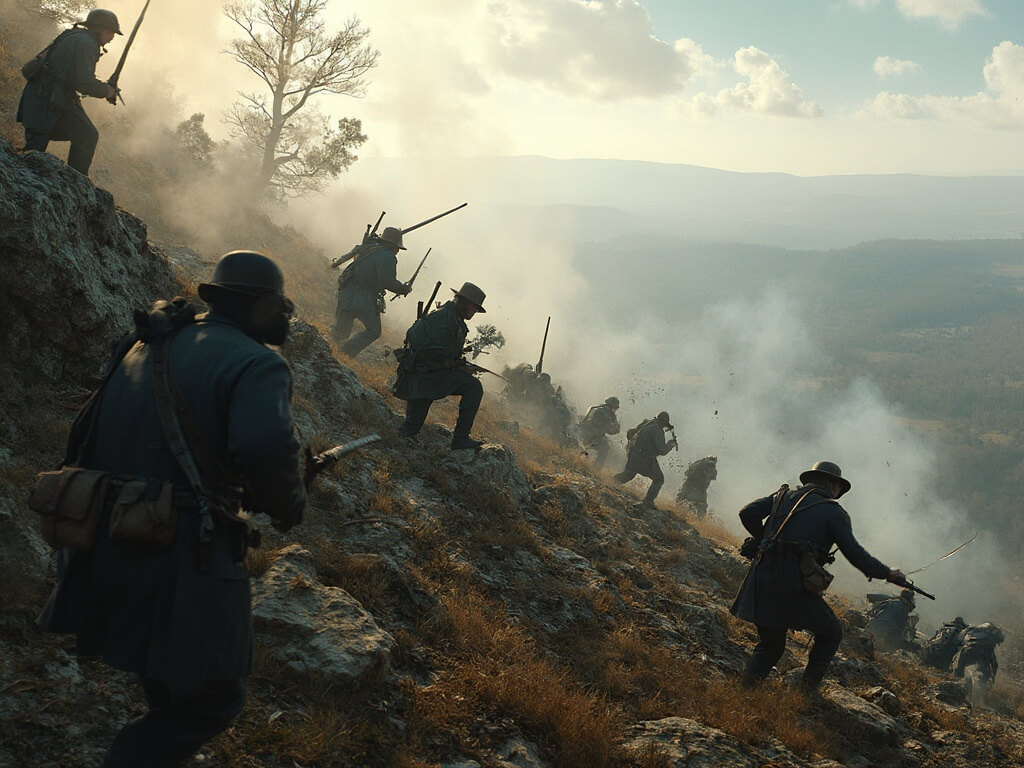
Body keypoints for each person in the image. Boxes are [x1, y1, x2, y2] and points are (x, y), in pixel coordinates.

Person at [38, 251, 306, 767]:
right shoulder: (259, 362)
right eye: (282, 304)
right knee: (212, 702)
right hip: (179, 549)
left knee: (170, 678)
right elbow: (265, 450)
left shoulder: (149, 341)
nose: (288, 315)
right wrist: (290, 501)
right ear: (258, 303)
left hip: (105, 532)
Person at [730, 461, 905, 692]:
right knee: (831, 632)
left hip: (760, 578)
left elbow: (747, 512)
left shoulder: (782, 497)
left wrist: (765, 538)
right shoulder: (833, 512)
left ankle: (744, 692)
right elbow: (854, 553)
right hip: (793, 585)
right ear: (833, 485)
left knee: (770, 645)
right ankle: (806, 692)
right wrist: (887, 574)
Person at [17, 9, 121, 176]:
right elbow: (83, 81)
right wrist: (106, 91)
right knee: (86, 135)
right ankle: (76, 181)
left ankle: (74, 183)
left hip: (43, 102)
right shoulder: (87, 43)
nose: (111, 38)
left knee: (82, 134)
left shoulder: (75, 36)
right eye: (110, 32)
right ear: (99, 28)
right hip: (46, 103)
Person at [391, 282, 488, 450]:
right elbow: (429, 350)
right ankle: (460, 439)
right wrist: (452, 363)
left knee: (411, 427)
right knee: (473, 387)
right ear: (465, 303)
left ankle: (460, 439)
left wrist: (457, 363)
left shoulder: (452, 317)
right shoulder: (443, 317)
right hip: (425, 375)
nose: (474, 312)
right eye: (474, 308)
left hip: (429, 375)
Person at [332, 226, 412, 357]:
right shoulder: (387, 256)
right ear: (393, 246)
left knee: (340, 333)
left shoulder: (367, 248)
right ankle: (346, 352)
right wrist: (403, 289)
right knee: (373, 331)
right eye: (397, 248)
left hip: (346, 294)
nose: (397, 251)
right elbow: (387, 282)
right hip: (364, 299)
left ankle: (334, 355)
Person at [613, 411, 676, 508]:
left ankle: (609, 482)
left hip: (634, 455)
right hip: (645, 460)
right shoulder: (657, 430)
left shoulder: (648, 423)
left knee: (627, 475)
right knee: (659, 479)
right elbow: (662, 451)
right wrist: (670, 445)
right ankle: (648, 502)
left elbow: (631, 432)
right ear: (663, 423)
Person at [953, 621, 1004, 706]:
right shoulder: (987, 644)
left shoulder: (973, 633)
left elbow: (959, 643)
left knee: (961, 675)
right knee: (982, 677)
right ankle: (977, 702)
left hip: (965, 651)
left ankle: (965, 698)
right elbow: (994, 664)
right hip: (978, 654)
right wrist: (993, 678)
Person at [865, 588, 918, 653]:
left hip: (871, 628)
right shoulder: (904, 608)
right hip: (886, 635)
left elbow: (870, 599)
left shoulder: (890, 600)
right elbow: (901, 631)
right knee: (913, 647)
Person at [579, 396, 621, 469]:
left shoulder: (597, 408)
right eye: (615, 408)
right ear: (613, 406)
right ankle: (596, 469)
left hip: (583, 431)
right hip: (592, 434)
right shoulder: (607, 413)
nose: (615, 410)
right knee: (605, 447)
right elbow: (610, 431)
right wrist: (616, 426)